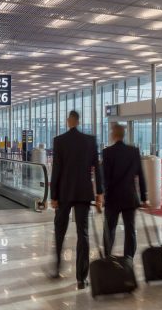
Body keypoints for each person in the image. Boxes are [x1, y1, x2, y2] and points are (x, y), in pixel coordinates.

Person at [49, 110, 103, 290]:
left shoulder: (59, 141)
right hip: (83, 193)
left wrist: (53, 196)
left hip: (64, 193)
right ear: (78, 121)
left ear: (68, 121)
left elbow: (56, 170)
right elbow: (97, 168)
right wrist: (99, 193)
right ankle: (82, 278)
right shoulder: (90, 141)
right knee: (83, 234)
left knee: (60, 231)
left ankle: (57, 268)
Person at [101, 124, 148, 259]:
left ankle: (108, 258)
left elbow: (106, 178)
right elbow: (141, 175)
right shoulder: (133, 151)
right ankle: (129, 259)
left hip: (112, 198)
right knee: (130, 230)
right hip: (129, 197)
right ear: (123, 135)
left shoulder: (107, 152)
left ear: (113, 135)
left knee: (109, 230)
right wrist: (144, 198)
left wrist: (103, 195)